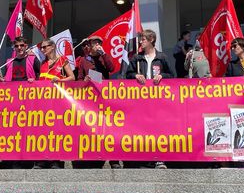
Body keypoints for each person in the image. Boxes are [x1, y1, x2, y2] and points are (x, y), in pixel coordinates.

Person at [0, 36, 40, 169]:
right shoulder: (9, 61)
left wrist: (34, 83)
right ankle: (11, 158)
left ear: (26, 46)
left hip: (29, 101)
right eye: (16, 46)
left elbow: (42, 80)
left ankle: (27, 159)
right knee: (12, 130)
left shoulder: (33, 60)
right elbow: (5, 82)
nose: (19, 48)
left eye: (22, 45)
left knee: (27, 130)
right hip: (13, 102)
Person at [126, 29, 174, 169]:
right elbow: (127, 75)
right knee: (142, 129)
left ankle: (160, 159)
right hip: (141, 101)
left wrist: (163, 76)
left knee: (158, 129)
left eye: (143, 39)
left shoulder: (162, 57)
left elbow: (173, 76)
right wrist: (135, 75)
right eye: (141, 39)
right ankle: (144, 158)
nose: (141, 41)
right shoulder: (137, 58)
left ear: (152, 39)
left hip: (158, 101)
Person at [75, 35, 120, 169]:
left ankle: (114, 159)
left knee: (109, 128)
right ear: (89, 46)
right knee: (92, 127)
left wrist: (104, 54)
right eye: (94, 43)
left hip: (104, 97)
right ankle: (93, 157)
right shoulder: (83, 60)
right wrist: (85, 81)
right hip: (90, 98)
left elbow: (111, 69)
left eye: (98, 43)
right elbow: (79, 79)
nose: (96, 45)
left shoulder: (103, 57)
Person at [35, 39, 75, 169]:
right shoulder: (43, 63)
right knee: (43, 132)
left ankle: (56, 160)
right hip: (44, 102)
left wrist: (60, 79)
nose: (42, 49)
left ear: (52, 47)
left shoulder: (62, 60)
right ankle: (42, 160)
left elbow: (72, 78)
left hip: (58, 101)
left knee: (56, 132)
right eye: (41, 47)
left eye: (44, 47)